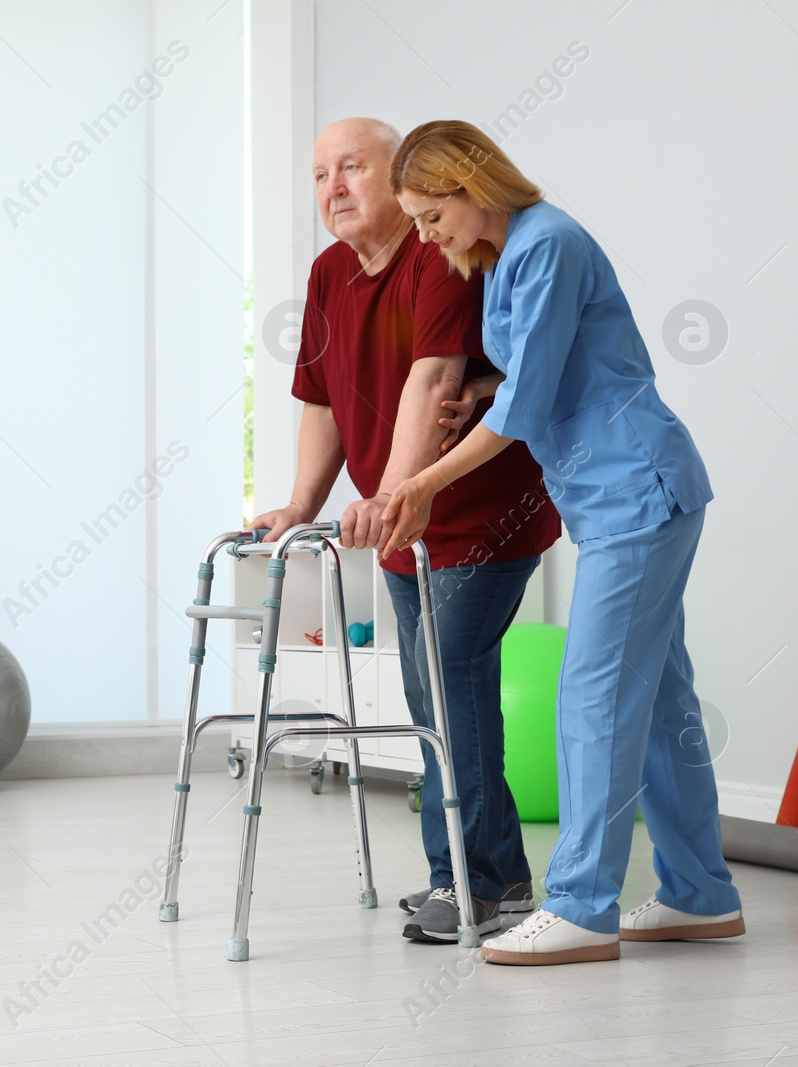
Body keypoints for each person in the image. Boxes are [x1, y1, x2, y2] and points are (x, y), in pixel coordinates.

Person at [382, 120, 744, 965]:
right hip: (616, 498)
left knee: (593, 694)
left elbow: (533, 405)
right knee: (657, 704)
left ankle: (582, 904)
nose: (427, 239)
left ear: (473, 186)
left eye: (432, 217)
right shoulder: (509, 255)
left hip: (638, 490)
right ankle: (700, 891)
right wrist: (479, 385)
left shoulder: (548, 244)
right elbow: (540, 371)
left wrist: (422, 483)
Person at [251, 117, 561, 944]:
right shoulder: (328, 275)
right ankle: (476, 877)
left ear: (400, 177)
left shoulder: (441, 254)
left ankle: (477, 884)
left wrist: (392, 496)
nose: (334, 188)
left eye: (352, 167)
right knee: (434, 691)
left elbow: (435, 377)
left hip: (477, 515)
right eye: (320, 175)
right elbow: (319, 400)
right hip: (403, 525)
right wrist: (299, 503)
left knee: (448, 683)